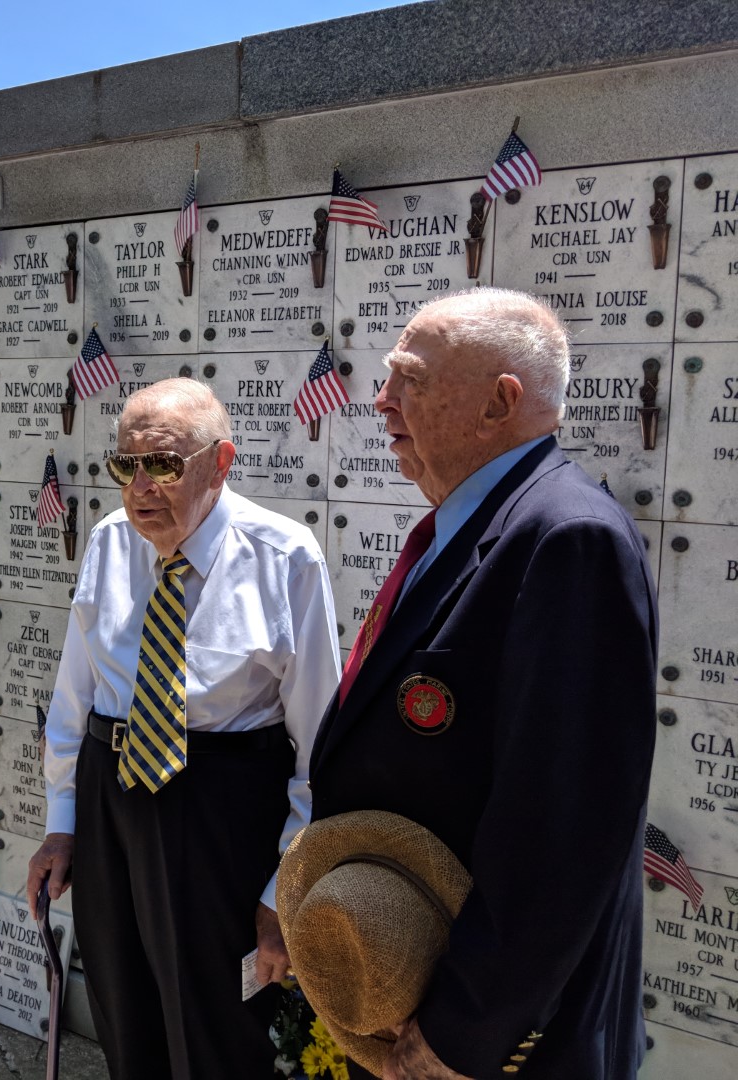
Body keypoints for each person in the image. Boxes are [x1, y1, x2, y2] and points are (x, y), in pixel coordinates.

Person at [308, 288, 657, 1080]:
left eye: (410, 379)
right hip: (416, 987)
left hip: (492, 1043)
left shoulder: (568, 540)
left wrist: (462, 1031)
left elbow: (562, 825)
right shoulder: (473, 525)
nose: (382, 399)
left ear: (499, 403)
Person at [26, 378, 341, 1078]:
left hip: (220, 810)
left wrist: (282, 891)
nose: (140, 487)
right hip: (112, 799)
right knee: (123, 1012)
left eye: (163, 465)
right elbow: (76, 694)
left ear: (220, 462)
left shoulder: (285, 557)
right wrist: (62, 823)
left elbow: (321, 746)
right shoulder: (110, 542)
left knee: (217, 1029)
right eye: (125, 465)